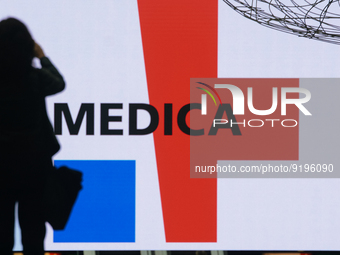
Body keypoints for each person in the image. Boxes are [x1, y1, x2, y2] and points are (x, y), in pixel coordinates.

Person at [0, 17, 65, 255]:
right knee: (34, 233)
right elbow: (59, 83)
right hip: (34, 167)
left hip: (2, 167)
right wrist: (42, 57)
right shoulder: (36, 79)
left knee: (2, 232)